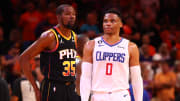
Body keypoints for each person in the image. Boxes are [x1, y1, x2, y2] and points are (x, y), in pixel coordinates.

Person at [80, 8, 143, 101]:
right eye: (105, 21)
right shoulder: (91, 45)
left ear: (121, 24)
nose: (108, 23)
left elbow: (136, 78)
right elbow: (85, 76)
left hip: (121, 95)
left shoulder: (131, 47)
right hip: (98, 95)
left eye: (112, 21)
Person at [19, 4, 79, 101]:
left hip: (71, 87)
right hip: (53, 87)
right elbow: (23, 58)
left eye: (74, 14)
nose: (72, 17)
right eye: (67, 14)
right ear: (58, 17)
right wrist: (35, 88)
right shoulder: (49, 36)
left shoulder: (74, 36)